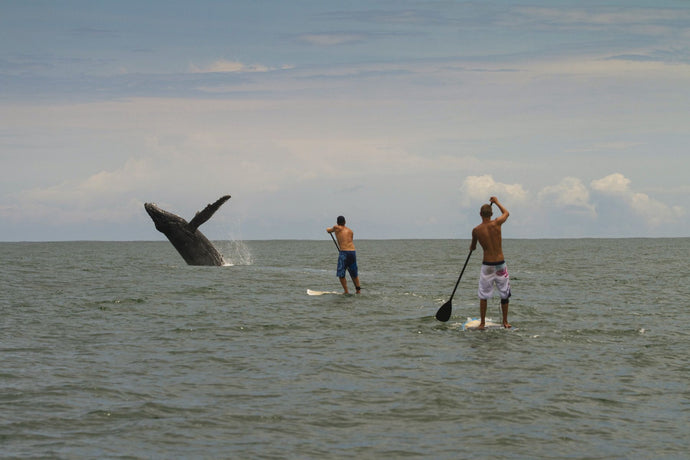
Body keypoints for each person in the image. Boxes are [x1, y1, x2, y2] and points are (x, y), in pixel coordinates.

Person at [470, 197, 511, 329]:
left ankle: (482, 323)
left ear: (480, 214)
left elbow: (473, 247)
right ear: (492, 214)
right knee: (504, 294)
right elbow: (506, 213)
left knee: (483, 295)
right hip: (500, 264)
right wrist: (497, 202)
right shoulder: (497, 223)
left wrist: (472, 246)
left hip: (487, 266)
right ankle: (505, 322)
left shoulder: (476, 230)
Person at [326, 216, 361, 294]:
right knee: (354, 272)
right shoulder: (350, 231)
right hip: (352, 252)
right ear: (345, 222)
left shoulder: (336, 228)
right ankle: (358, 290)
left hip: (344, 253)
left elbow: (328, 230)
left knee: (341, 274)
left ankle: (346, 291)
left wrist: (328, 230)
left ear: (337, 222)